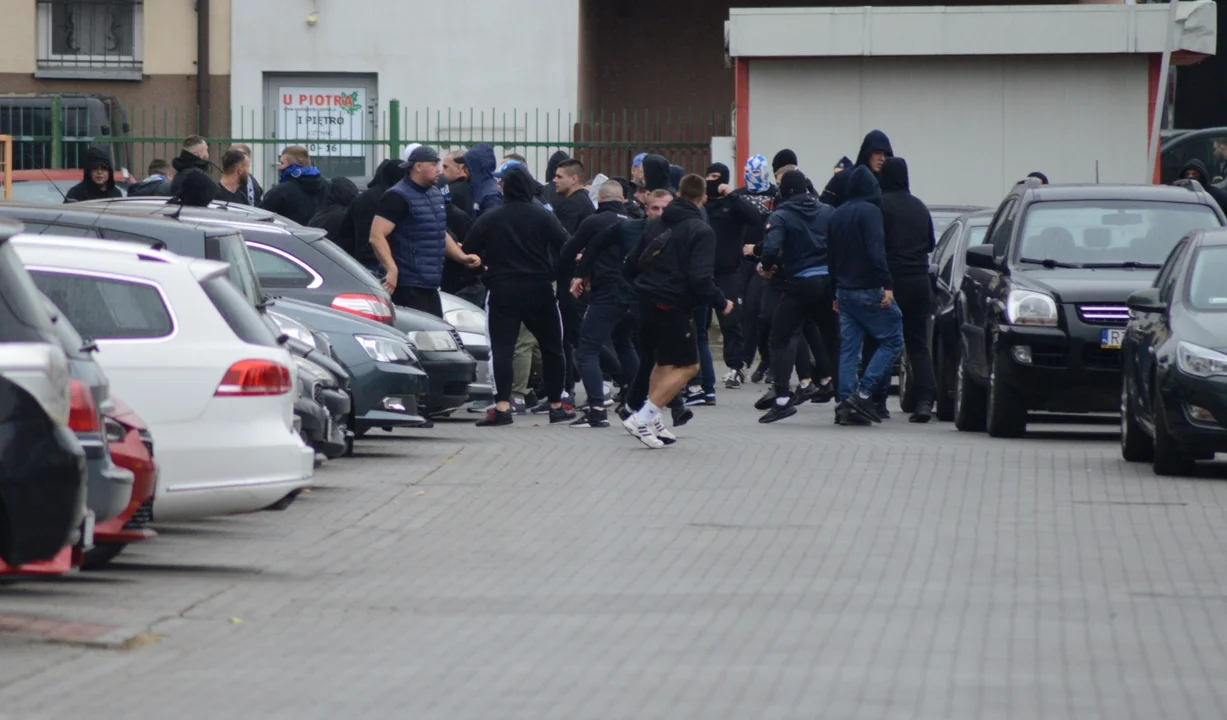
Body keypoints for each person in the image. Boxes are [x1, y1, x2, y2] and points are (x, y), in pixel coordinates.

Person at [621, 174, 734, 448]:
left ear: (679, 194)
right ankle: (642, 417)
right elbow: (700, 278)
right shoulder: (701, 231)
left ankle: (653, 419)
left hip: (646, 301)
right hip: (673, 305)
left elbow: (631, 263)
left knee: (664, 363)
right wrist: (721, 302)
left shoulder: (657, 223)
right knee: (689, 366)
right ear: (704, 198)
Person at [465, 164, 574, 427]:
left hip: (502, 289)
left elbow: (469, 250)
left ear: (505, 189)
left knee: (502, 348)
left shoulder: (491, 217)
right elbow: (566, 245)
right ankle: (556, 405)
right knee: (552, 347)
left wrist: (482, 270)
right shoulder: (543, 216)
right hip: (539, 288)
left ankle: (502, 408)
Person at [755, 170, 839, 423]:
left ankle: (782, 399)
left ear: (784, 192)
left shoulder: (781, 215)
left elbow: (770, 248)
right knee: (833, 339)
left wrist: (765, 266)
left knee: (780, 338)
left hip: (799, 282)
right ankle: (845, 397)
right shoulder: (828, 211)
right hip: (828, 282)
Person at [828, 165, 904, 426]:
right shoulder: (871, 212)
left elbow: (831, 257)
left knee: (849, 349)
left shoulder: (837, 215)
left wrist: (834, 291)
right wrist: (887, 283)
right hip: (869, 288)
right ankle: (863, 394)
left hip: (844, 291)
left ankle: (845, 405)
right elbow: (875, 251)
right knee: (894, 338)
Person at [368, 145, 480, 317]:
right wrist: (391, 269)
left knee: (437, 337)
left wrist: (461, 257)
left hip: (431, 285)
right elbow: (376, 236)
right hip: (408, 286)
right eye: (434, 165)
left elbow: (438, 232)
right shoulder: (397, 196)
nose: (439, 171)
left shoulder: (435, 194)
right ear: (418, 166)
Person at [565, 181, 636, 427]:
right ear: (622, 199)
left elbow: (569, 249)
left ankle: (596, 409)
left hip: (606, 292)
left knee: (587, 349)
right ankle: (638, 399)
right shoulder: (632, 222)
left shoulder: (594, 222)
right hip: (631, 293)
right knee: (624, 343)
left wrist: (574, 270)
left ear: (599, 199)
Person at [878, 157, 937, 423]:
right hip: (919, 281)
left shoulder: (879, 205)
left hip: (891, 282)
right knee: (918, 344)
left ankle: (878, 401)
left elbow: (876, 245)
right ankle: (925, 400)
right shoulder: (920, 207)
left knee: (882, 341)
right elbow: (930, 244)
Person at [701, 162, 761, 391]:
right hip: (703, 272)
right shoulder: (702, 205)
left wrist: (731, 194)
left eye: (715, 176)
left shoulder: (733, 203)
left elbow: (754, 217)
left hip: (728, 272)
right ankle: (697, 372)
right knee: (700, 324)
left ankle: (736, 367)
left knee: (731, 321)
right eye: (707, 176)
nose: (710, 180)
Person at [732, 154, 778, 380]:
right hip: (742, 262)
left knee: (760, 312)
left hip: (764, 260)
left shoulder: (775, 194)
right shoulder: (738, 196)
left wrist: (760, 250)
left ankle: (767, 360)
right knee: (742, 311)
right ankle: (743, 360)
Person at [337, 159, 402, 270]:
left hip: (362, 262)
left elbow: (346, 232)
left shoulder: (362, 198)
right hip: (389, 261)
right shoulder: (396, 198)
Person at [261, 145, 330, 225]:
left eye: (282, 163)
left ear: (293, 167)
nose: (279, 168)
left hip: (289, 235)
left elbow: (261, 216)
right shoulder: (327, 186)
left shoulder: (280, 191)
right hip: (321, 235)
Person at [457, 143, 502, 217]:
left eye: (466, 165)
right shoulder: (478, 189)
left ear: (475, 167)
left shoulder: (491, 195)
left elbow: (493, 224)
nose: (463, 169)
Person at [442, 149, 472, 215]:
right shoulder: (476, 188)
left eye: (445, 167)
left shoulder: (450, 192)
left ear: (459, 168)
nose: (442, 172)